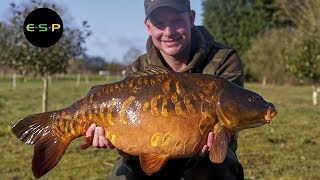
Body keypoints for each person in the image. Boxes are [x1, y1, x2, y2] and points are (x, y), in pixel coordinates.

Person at [86, 0, 244, 179]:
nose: (169, 32)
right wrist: (108, 136)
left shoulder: (223, 60)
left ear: (191, 18)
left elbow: (233, 118)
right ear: (148, 26)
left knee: (220, 168)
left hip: (206, 157)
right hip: (149, 152)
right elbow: (132, 138)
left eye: (176, 21)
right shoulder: (138, 69)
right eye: (160, 24)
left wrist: (220, 138)